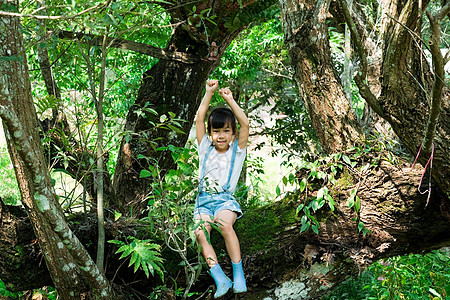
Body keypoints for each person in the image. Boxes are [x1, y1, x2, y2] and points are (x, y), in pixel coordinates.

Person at [194, 79, 249, 298]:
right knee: (200, 233)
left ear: (233, 134)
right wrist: (208, 93)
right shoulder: (205, 148)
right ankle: (220, 279)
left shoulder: (237, 151)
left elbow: (244, 124)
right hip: (203, 201)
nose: (221, 135)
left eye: (226, 130)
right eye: (216, 131)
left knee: (225, 225)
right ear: (210, 134)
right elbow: (199, 119)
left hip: (225, 200)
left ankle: (238, 274)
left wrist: (230, 100)